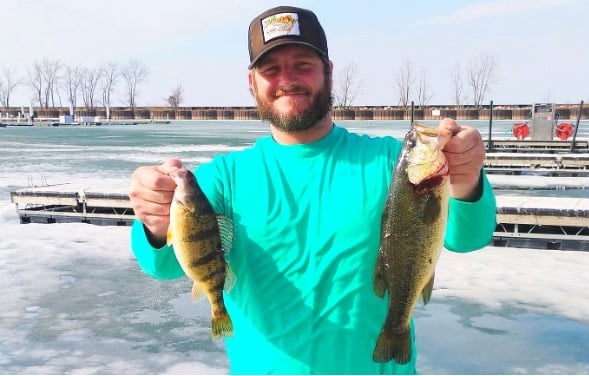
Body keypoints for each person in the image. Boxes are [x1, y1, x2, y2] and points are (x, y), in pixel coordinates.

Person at [129, 5, 497, 374]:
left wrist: (465, 178)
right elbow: (162, 265)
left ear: (328, 72)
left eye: (302, 64)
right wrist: (155, 220)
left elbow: (467, 237)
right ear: (252, 82)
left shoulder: (392, 161)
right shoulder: (223, 177)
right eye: (271, 69)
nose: (287, 79)